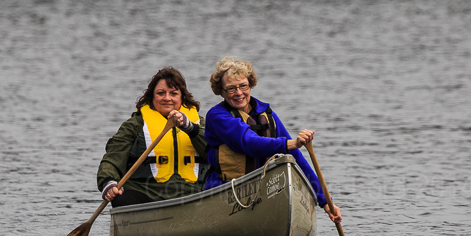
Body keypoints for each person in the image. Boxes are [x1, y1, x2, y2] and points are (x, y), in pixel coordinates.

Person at [204, 56, 341, 222]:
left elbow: (296, 159)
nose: (239, 93)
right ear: (221, 91)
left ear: (250, 85)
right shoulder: (217, 116)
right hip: (226, 190)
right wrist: (291, 143)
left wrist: (325, 201)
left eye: (243, 86)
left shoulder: (267, 114)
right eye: (231, 89)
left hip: (262, 191)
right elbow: (249, 143)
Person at [97, 67, 207, 206]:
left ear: (182, 97)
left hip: (192, 194)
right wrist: (108, 182)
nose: (167, 98)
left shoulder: (199, 124)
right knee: (121, 199)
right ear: (152, 96)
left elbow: (215, 153)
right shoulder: (135, 125)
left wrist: (191, 129)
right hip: (146, 195)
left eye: (173, 93)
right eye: (161, 93)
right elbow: (113, 157)